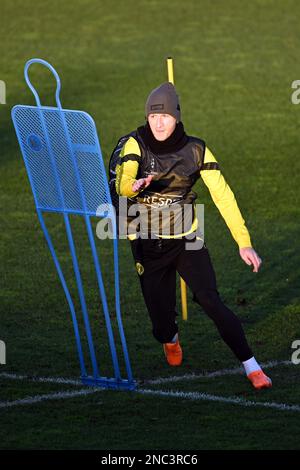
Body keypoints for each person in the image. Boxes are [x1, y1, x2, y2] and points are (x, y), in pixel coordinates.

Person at [114, 82, 272, 389]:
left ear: (176, 116)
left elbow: (223, 195)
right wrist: (130, 188)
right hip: (148, 242)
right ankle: (170, 337)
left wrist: (244, 243)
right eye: (152, 115)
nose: (157, 122)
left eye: (164, 116)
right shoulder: (135, 144)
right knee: (160, 322)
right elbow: (123, 180)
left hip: (187, 238)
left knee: (210, 299)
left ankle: (252, 366)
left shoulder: (197, 149)